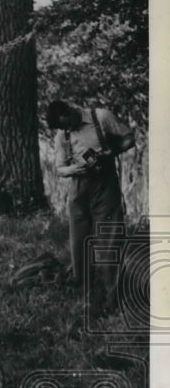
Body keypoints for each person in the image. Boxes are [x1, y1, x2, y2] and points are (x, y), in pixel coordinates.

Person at [46, 99, 135, 311]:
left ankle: (112, 297)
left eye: (66, 123)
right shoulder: (62, 135)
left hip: (105, 184)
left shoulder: (101, 117)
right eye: (62, 127)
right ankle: (84, 293)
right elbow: (60, 169)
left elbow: (129, 138)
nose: (66, 129)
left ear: (71, 110)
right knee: (79, 241)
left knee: (109, 239)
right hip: (78, 189)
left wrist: (110, 153)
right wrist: (77, 168)